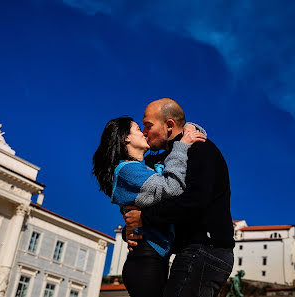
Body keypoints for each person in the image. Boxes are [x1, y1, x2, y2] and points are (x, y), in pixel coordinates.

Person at [124, 98, 235, 297]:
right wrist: (132, 228)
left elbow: (195, 201)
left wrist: (144, 218)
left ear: (169, 125)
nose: (144, 132)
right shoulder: (167, 157)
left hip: (206, 250)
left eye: (148, 126)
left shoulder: (200, 148)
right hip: (194, 252)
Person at [92, 116, 206, 297]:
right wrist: (182, 146)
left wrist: (188, 128)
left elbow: (197, 136)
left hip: (155, 259)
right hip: (145, 260)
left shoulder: (147, 167)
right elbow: (172, 188)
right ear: (126, 138)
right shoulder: (126, 170)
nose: (144, 133)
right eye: (138, 129)